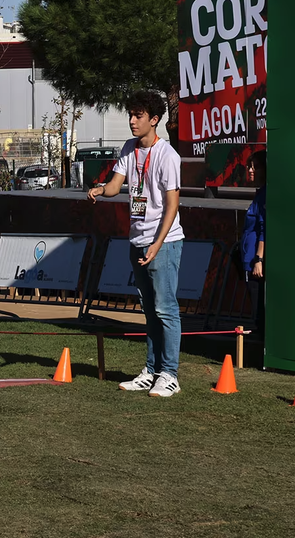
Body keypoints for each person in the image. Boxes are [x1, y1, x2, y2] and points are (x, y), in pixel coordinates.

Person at [88, 90, 184, 397]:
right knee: (149, 310)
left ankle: (170, 374)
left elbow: (172, 205)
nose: (131, 121)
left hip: (163, 242)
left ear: (154, 120)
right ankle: (152, 370)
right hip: (137, 239)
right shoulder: (129, 148)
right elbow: (117, 186)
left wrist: (157, 243)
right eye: (131, 114)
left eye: (138, 116)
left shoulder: (168, 156)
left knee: (165, 309)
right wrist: (101, 190)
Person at [241, 150, 266, 341]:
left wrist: (259, 259)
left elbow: (264, 228)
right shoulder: (259, 194)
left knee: (260, 305)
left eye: (255, 167)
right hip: (248, 258)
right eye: (249, 166)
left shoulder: (266, 195)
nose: (250, 170)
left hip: (256, 262)